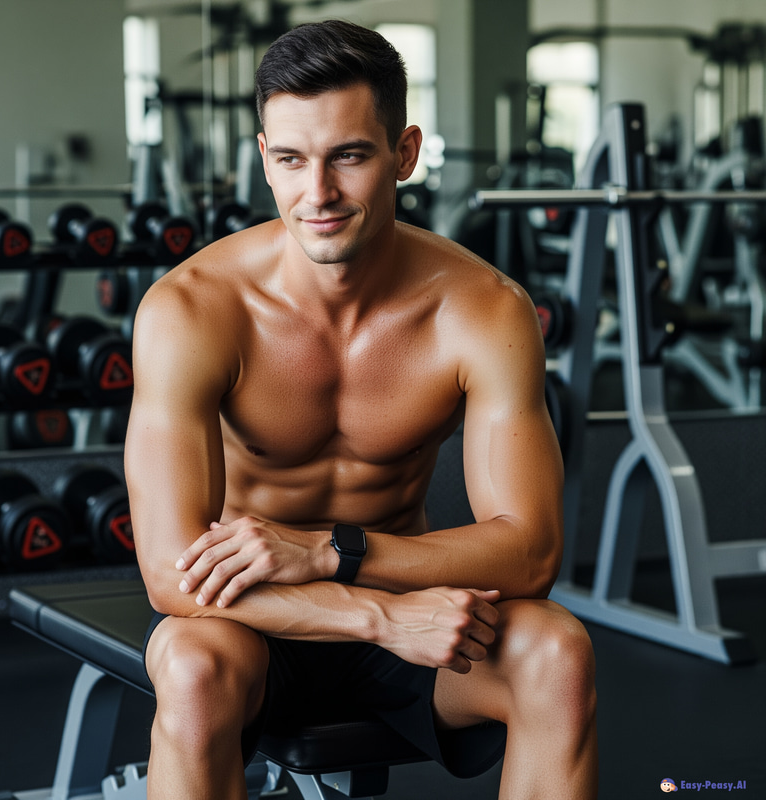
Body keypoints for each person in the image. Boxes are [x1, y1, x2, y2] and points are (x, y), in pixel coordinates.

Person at [125, 19, 597, 800]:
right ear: (264, 157)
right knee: (192, 667)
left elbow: (531, 553)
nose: (317, 194)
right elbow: (173, 578)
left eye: (348, 156)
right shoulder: (193, 309)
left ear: (404, 153)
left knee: (558, 654)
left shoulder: (482, 311)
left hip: (400, 595)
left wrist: (328, 552)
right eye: (290, 159)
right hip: (251, 615)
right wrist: (378, 618)